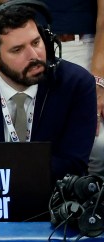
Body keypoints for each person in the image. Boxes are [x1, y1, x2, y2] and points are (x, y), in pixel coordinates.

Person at [0, 1, 96, 179]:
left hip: (54, 198)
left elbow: (73, 164)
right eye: (17, 49)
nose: (34, 56)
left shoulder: (77, 85)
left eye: (36, 42)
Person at [40, 0, 104, 172]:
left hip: (87, 48)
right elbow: (8, 10)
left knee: (98, 142)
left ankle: (89, 192)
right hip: (34, 46)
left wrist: (99, 82)